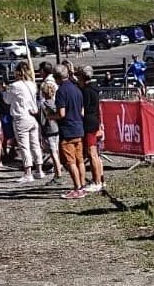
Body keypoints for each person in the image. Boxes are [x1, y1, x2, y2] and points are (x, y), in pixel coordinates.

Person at [6, 61, 45, 184]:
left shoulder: (15, 86)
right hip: (32, 116)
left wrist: (6, 91)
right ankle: (39, 169)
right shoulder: (32, 84)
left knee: (24, 146)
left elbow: (7, 100)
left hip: (21, 117)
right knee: (35, 144)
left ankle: (28, 172)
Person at [54, 63, 87, 198]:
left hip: (67, 129)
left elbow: (61, 113)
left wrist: (50, 116)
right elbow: (82, 110)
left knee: (70, 161)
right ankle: (83, 185)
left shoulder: (61, 91)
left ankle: (77, 188)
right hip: (79, 127)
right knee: (80, 160)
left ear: (57, 77)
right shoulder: (76, 89)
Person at [79, 65, 106, 194]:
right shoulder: (95, 89)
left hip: (89, 123)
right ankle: (101, 179)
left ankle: (97, 182)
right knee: (96, 154)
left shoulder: (86, 91)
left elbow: (83, 110)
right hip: (95, 121)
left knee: (92, 153)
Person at [38, 75, 62, 179]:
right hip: (56, 129)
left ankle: (58, 173)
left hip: (48, 130)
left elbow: (42, 120)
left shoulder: (43, 105)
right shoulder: (55, 103)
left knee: (53, 153)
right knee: (56, 150)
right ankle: (58, 169)